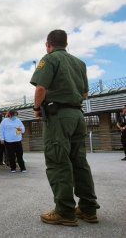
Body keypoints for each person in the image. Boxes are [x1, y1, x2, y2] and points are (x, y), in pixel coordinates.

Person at [31, 29, 100, 226]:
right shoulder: (79, 63)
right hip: (77, 115)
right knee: (79, 162)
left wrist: (37, 108)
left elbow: (41, 88)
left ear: (48, 44)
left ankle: (64, 211)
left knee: (58, 161)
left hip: (58, 117)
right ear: (66, 43)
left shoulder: (49, 59)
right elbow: (85, 93)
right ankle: (88, 209)